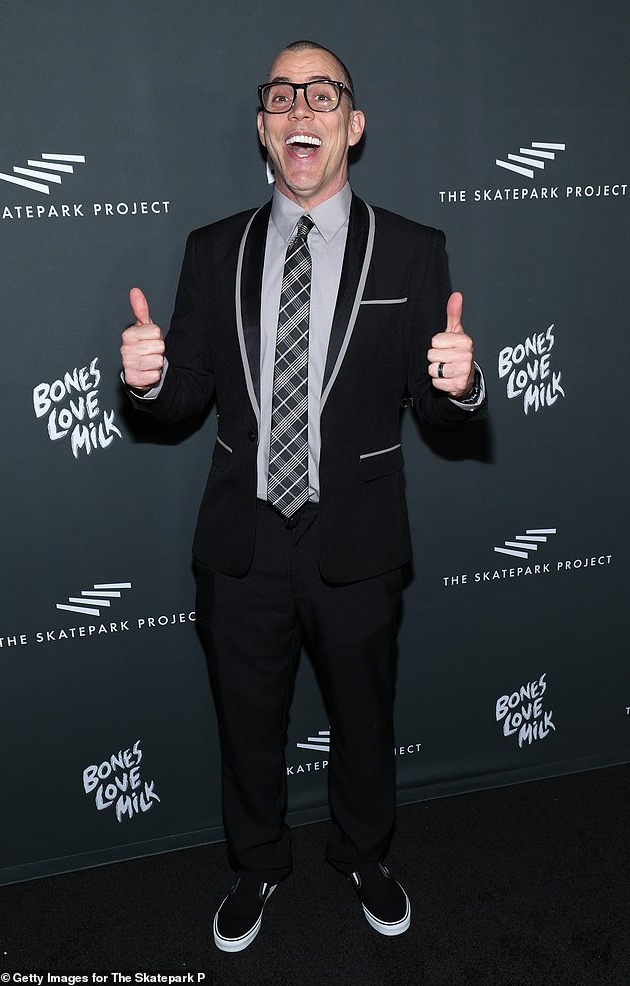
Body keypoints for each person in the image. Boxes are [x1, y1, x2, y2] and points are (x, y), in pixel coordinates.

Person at [120, 39, 486, 952]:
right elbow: (187, 394)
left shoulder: (412, 250)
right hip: (241, 544)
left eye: (321, 94)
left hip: (357, 539)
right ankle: (256, 865)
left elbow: (441, 415)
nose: (300, 108)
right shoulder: (213, 252)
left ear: (352, 127)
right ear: (263, 129)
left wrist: (459, 387)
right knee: (247, 724)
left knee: (364, 719)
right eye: (281, 95)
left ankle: (366, 854)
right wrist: (148, 381)